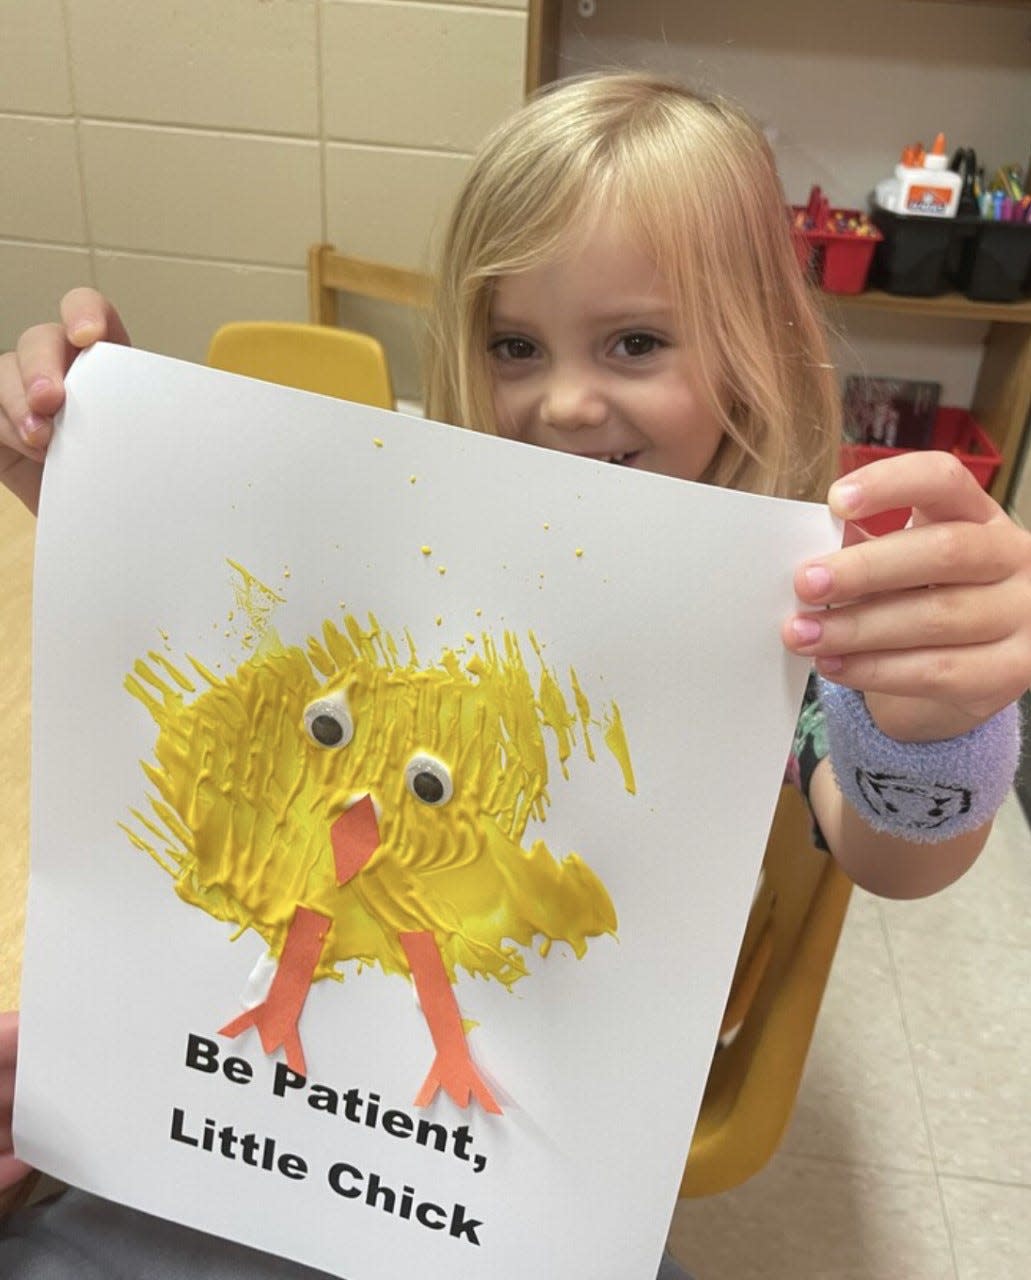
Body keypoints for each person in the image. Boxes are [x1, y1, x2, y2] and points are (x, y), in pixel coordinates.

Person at [1, 71, 1029, 1279]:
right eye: (514, 345)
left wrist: (928, 730)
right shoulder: (415, 534)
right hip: (269, 1101)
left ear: (755, 348)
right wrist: (99, 466)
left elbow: (896, 855)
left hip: (518, 1152)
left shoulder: (789, 609)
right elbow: (205, 625)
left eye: (636, 342)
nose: (564, 399)